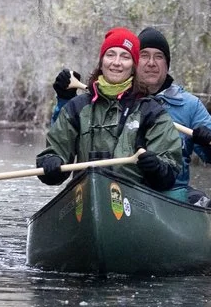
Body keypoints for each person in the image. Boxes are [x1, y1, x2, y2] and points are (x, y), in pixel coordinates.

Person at [38, 28, 185, 192]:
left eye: (125, 57)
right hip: (84, 194)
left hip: (134, 200)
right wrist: (51, 161)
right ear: (101, 63)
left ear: (134, 66)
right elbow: (53, 162)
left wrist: (158, 168)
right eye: (110, 55)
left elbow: (169, 175)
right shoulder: (76, 107)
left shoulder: (152, 112)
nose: (116, 62)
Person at [133, 27, 211, 201]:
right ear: (134, 62)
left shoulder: (189, 105)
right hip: (127, 190)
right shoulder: (120, 100)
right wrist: (64, 97)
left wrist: (210, 142)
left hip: (173, 192)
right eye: (144, 55)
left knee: (201, 201)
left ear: (167, 65)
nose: (151, 63)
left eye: (159, 56)